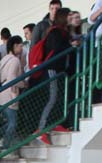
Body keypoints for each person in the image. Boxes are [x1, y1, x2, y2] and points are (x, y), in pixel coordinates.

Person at [37, 8, 72, 144]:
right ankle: (41, 129)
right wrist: (71, 45)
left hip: (59, 70)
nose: (71, 17)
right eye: (69, 15)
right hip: (52, 69)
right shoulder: (56, 32)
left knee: (59, 98)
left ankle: (55, 123)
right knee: (53, 98)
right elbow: (56, 50)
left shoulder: (63, 32)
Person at [0, 36, 28, 154]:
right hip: (9, 95)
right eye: (20, 46)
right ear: (14, 46)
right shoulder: (14, 60)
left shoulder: (3, 60)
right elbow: (12, 79)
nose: (22, 49)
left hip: (0, 96)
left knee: (9, 122)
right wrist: (23, 84)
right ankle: (4, 145)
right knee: (13, 123)